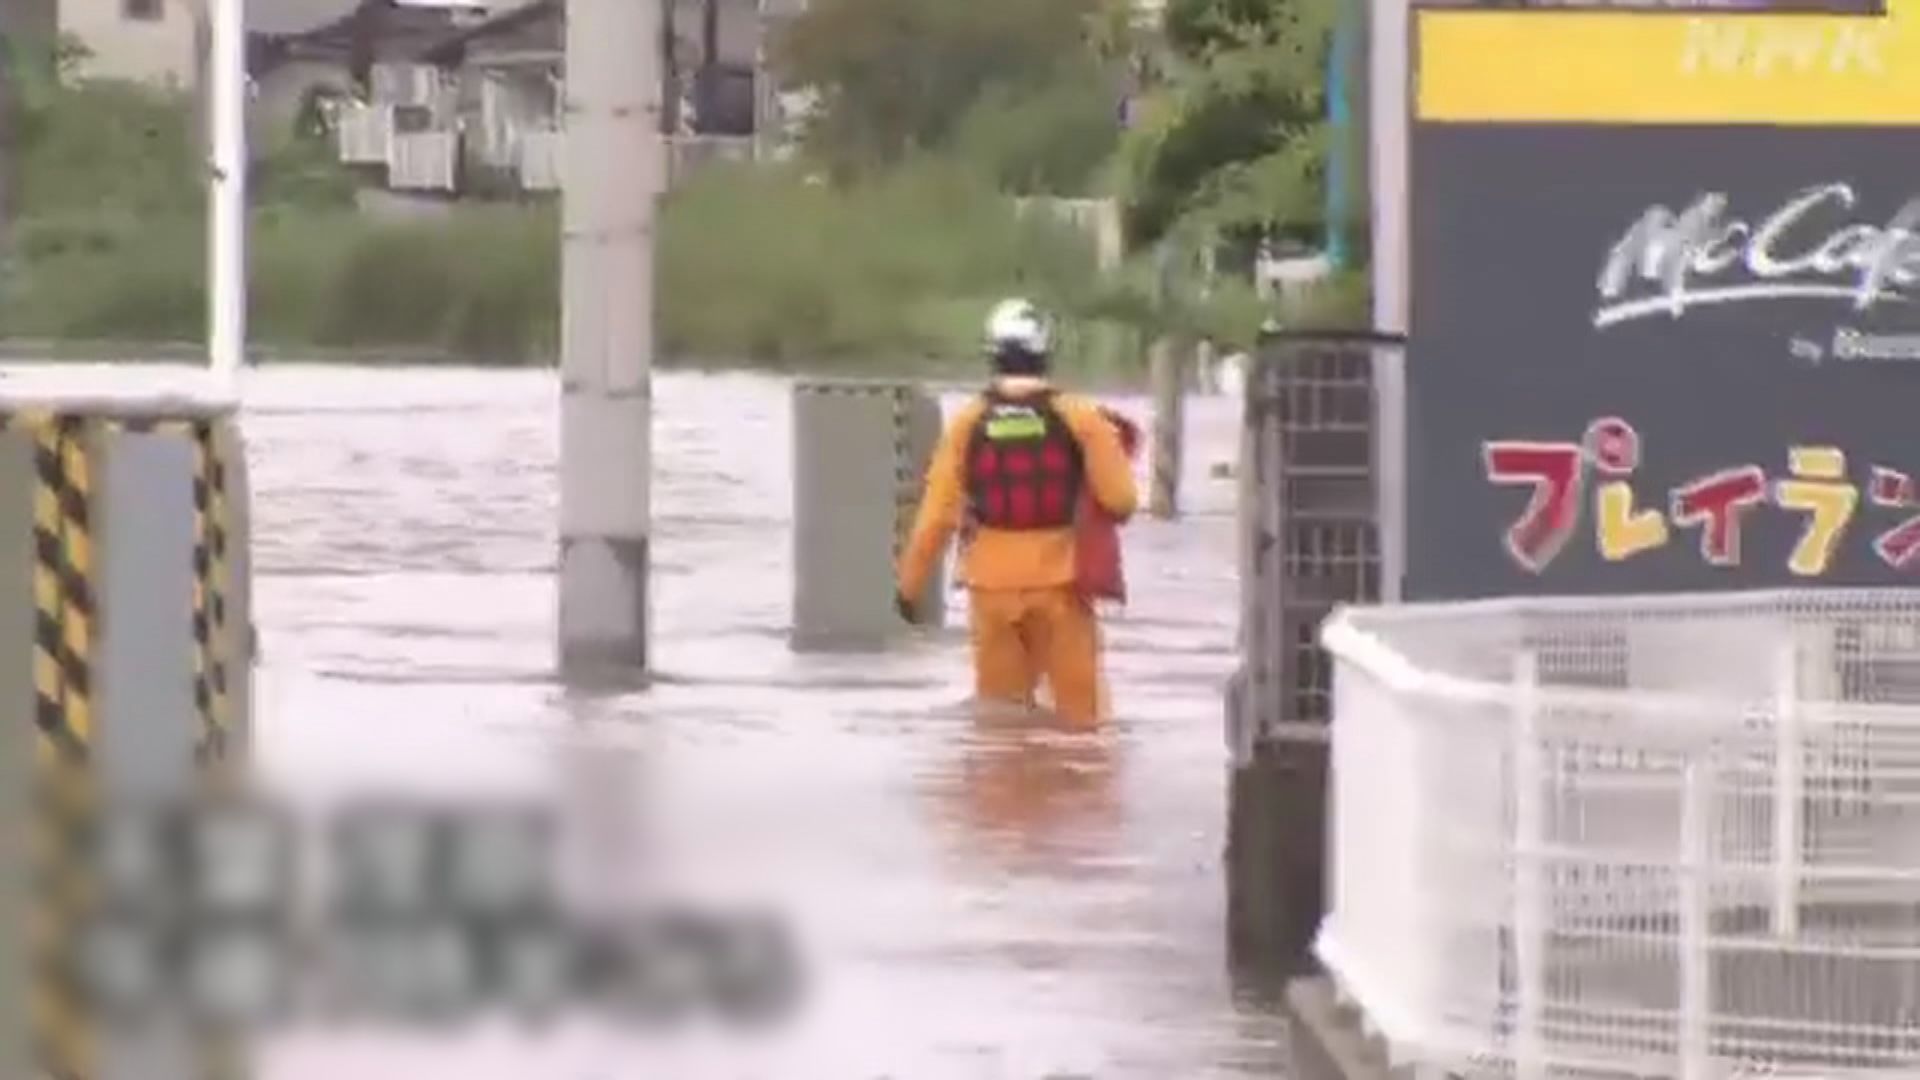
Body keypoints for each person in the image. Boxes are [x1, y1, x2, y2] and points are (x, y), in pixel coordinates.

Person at [893, 298, 1139, 728]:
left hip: (990, 589)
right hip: (1061, 586)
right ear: (1046, 352)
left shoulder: (968, 423)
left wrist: (909, 589)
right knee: (1083, 724)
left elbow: (936, 516)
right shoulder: (1081, 417)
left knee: (1000, 723)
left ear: (993, 354)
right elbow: (1122, 501)